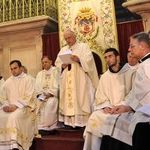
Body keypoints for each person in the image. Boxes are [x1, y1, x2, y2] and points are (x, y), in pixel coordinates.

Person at [99, 31, 150, 149]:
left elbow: (144, 95)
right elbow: (136, 93)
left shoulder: (147, 65)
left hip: (145, 114)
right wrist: (125, 106)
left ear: (142, 46)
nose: (130, 49)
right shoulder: (144, 64)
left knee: (113, 124)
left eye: (132, 46)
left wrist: (129, 107)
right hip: (140, 109)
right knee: (111, 122)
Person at [83, 48, 137, 150]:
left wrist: (123, 106)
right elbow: (100, 96)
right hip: (109, 109)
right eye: (105, 57)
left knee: (116, 120)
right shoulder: (104, 76)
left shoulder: (131, 72)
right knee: (94, 117)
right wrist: (105, 106)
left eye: (110, 56)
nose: (107, 59)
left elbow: (134, 93)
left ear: (117, 57)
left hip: (125, 109)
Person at [55, 29, 99, 128]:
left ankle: (81, 122)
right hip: (68, 77)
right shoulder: (63, 49)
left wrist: (79, 59)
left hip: (80, 77)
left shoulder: (83, 47)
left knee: (80, 96)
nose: (68, 40)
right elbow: (57, 63)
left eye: (69, 37)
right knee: (69, 98)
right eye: (66, 38)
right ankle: (70, 123)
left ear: (74, 36)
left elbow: (89, 61)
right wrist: (62, 65)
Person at [0, 60, 37, 150]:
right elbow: (2, 97)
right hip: (9, 107)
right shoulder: (7, 82)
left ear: (20, 68)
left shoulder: (28, 79)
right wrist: (5, 106)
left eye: (15, 68)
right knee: (1, 116)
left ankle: (15, 144)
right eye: (11, 69)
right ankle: (4, 145)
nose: (13, 71)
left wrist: (15, 106)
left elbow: (29, 96)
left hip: (23, 107)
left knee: (14, 117)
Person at [35, 56, 60, 133]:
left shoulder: (56, 71)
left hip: (52, 95)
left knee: (50, 104)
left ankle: (49, 125)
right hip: (42, 96)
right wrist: (40, 94)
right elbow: (37, 87)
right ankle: (40, 126)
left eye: (46, 62)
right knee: (37, 103)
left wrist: (50, 94)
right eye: (43, 63)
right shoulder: (40, 74)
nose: (44, 64)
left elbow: (58, 85)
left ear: (51, 62)